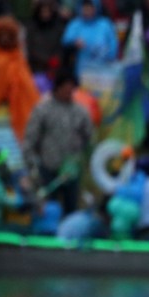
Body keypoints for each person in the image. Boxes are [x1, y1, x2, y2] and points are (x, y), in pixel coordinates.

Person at [22, 70, 94, 215]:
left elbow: (89, 137)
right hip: (48, 167)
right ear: (57, 88)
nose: (69, 93)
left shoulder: (81, 112)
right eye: (66, 90)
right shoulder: (42, 110)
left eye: (72, 90)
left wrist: (81, 159)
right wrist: (32, 165)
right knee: (49, 209)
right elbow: (30, 139)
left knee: (71, 208)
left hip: (71, 169)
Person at [0, 15, 42, 144]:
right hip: (0, 105)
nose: (4, 38)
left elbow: (25, 79)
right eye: (1, 34)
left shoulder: (17, 54)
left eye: (8, 34)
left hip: (17, 101)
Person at [61, 0, 119, 84]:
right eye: (85, 7)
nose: (87, 10)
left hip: (103, 72)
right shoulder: (75, 24)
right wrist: (74, 43)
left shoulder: (105, 24)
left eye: (90, 7)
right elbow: (65, 41)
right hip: (81, 71)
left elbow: (113, 45)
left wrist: (107, 55)